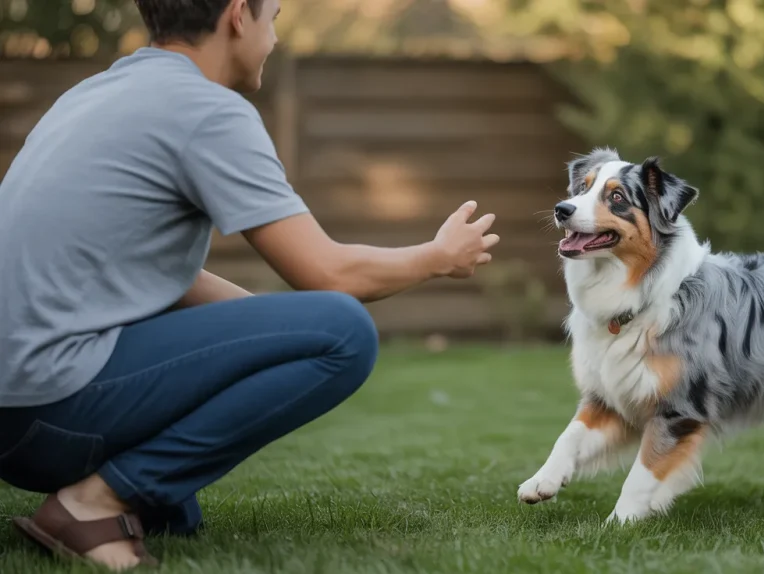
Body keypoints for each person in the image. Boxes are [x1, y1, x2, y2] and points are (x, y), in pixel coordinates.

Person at [0, 0, 500, 569]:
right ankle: (93, 503)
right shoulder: (205, 110)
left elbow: (143, 273)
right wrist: (435, 258)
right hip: (48, 411)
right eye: (275, 17)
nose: (276, 37)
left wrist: (271, 342)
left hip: (13, 413)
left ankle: (120, 495)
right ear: (239, 15)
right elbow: (328, 275)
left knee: (178, 515)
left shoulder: (94, 95)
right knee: (343, 331)